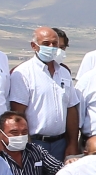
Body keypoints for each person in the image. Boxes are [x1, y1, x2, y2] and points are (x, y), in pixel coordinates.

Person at [9, 27, 81, 166]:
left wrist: (72, 143)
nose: (52, 47)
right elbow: (18, 113)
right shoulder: (23, 73)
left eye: (55, 43)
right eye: (46, 44)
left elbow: (71, 108)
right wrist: (27, 146)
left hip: (61, 143)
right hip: (36, 142)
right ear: (34, 46)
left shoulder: (64, 73)